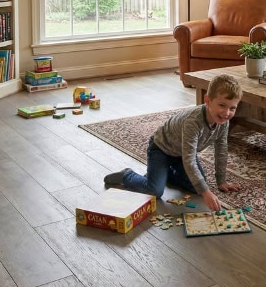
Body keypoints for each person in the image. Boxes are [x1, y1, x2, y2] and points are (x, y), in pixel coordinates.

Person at [103, 73, 242, 211]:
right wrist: (206, 193)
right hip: (161, 149)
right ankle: (127, 175)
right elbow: (189, 160)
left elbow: (221, 150)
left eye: (232, 108)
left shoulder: (224, 122)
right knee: (155, 191)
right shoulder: (193, 122)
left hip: (181, 154)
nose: (227, 113)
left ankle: (165, 174)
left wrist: (221, 181)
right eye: (222, 105)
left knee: (198, 186)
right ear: (208, 100)